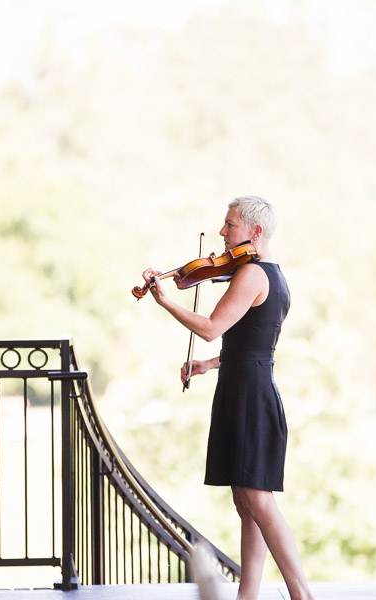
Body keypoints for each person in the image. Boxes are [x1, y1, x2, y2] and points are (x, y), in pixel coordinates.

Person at [141, 195, 314, 600]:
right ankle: (247, 595)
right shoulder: (269, 273)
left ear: (255, 232)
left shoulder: (252, 274)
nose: (222, 232)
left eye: (230, 225)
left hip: (250, 394)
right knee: (245, 500)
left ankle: (301, 594)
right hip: (244, 385)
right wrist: (209, 365)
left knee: (257, 497)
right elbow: (254, 344)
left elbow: (210, 327)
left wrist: (165, 300)